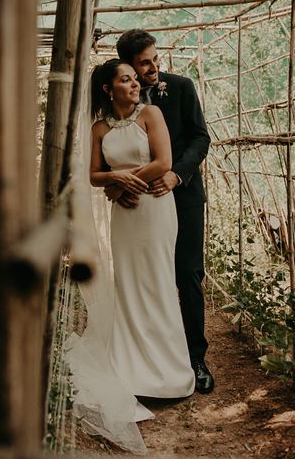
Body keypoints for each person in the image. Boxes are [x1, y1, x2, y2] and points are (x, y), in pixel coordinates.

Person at [110, 29, 214, 394]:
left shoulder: (181, 87)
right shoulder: (119, 99)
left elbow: (201, 137)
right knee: (145, 278)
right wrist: (118, 186)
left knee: (187, 274)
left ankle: (195, 358)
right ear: (129, 67)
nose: (154, 67)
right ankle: (150, 357)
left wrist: (175, 174)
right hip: (139, 204)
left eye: (155, 58)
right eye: (144, 63)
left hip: (182, 197)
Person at [89, 58, 195, 399]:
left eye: (136, 79)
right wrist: (112, 181)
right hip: (125, 217)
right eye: (126, 79)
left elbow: (163, 163)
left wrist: (121, 186)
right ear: (108, 89)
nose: (136, 84)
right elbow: (93, 174)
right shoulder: (99, 129)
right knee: (129, 284)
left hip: (155, 208)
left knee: (159, 281)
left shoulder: (151, 115)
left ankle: (171, 372)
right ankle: (132, 368)